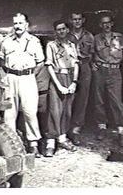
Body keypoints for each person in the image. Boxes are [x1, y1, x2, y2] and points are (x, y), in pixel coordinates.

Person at [0, 13, 45, 158]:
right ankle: (11, 148)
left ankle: (33, 145)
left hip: (27, 78)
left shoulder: (34, 41)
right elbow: (0, 61)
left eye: (20, 23)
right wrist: (6, 77)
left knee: (30, 112)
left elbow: (40, 63)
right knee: (9, 114)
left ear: (26, 25)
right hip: (11, 77)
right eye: (15, 23)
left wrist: (29, 74)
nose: (17, 26)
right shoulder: (6, 42)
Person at [92, 12, 123, 146]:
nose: (106, 25)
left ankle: (121, 131)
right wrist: (92, 63)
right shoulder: (96, 38)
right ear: (100, 25)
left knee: (116, 101)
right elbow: (90, 52)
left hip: (115, 70)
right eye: (103, 23)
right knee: (99, 100)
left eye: (108, 22)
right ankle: (101, 128)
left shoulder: (120, 37)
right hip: (100, 70)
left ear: (112, 24)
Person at [44, 20, 79, 157]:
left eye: (63, 29)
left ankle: (62, 138)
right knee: (55, 110)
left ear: (67, 30)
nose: (61, 31)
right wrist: (58, 85)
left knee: (67, 110)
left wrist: (74, 82)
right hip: (57, 77)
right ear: (55, 32)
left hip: (70, 78)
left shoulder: (72, 45)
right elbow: (49, 66)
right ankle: (50, 142)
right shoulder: (51, 45)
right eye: (58, 29)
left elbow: (76, 64)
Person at [67, 12, 95, 145]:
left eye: (79, 19)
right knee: (68, 97)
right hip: (69, 68)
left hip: (84, 67)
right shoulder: (66, 35)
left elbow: (94, 53)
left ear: (83, 20)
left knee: (83, 98)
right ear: (71, 21)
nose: (77, 22)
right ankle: (65, 127)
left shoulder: (89, 36)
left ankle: (76, 129)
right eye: (74, 19)